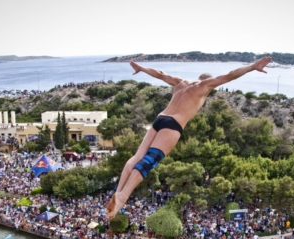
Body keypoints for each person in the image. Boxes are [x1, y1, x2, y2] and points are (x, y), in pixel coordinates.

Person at [106, 56, 272, 219]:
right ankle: (122, 197)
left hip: (160, 118)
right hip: (173, 125)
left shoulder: (180, 82)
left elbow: (161, 73)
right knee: (149, 161)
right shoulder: (205, 86)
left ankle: (119, 191)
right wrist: (251, 67)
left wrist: (141, 68)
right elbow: (229, 75)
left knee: (137, 157)